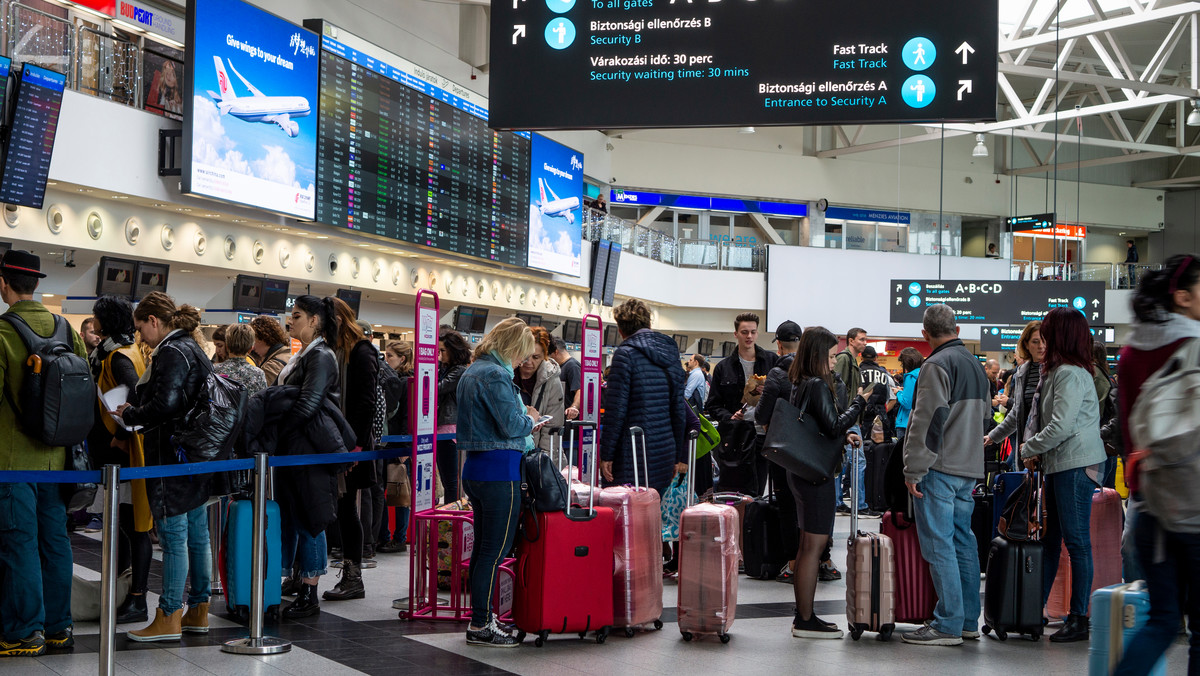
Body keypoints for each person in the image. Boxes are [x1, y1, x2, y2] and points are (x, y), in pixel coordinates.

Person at [1113, 254, 1200, 675]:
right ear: (1183, 297)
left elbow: (1130, 434)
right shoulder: (1195, 347)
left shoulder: (1130, 353)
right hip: (1196, 502)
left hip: (1151, 504)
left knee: (1163, 620)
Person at [0, 250, 85, 657]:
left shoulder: (2, 334)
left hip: (12, 462)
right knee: (55, 542)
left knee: (18, 543)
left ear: (4, 283)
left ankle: (23, 631)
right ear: (35, 284)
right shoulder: (65, 330)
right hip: (59, 461)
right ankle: (58, 628)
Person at [116, 292, 214, 642]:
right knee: (198, 535)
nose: (140, 336)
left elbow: (167, 404)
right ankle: (199, 610)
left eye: (141, 327)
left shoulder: (172, 351)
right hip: (196, 455)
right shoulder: (193, 348)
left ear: (154, 321)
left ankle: (170, 613)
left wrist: (131, 414)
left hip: (171, 457)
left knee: (174, 538)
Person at [901, 303, 991, 647]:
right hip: (970, 466)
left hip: (940, 466)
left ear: (925, 334)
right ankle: (968, 620)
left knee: (938, 543)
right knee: (963, 541)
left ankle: (948, 623)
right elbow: (985, 418)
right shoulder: (975, 365)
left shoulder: (936, 364)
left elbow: (927, 420)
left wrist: (913, 467)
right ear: (957, 329)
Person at [1017, 307, 1105, 642]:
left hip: (1075, 465)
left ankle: (1079, 617)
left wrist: (1028, 448)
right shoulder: (1058, 371)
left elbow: (1061, 425)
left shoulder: (1069, 373)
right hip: (1061, 463)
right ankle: (1033, 609)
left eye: (1049, 331)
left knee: (1077, 542)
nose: (1044, 338)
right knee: (1053, 540)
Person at [785, 327, 876, 638]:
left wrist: (840, 433)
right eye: (832, 356)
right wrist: (860, 403)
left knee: (808, 544)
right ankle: (805, 618)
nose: (836, 362)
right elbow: (835, 425)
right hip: (816, 475)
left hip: (801, 470)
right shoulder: (818, 385)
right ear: (818, 356)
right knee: (813, 545)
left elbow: (820, 428)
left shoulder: (799, 383)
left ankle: (804, 615)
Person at [456, 317, 539, 647]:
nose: (523, 361)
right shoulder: (494, 374)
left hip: (477, 469)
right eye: (522, 354)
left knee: (482, 550)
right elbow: (511, 425)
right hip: (500, 471)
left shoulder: (473, 370)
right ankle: (481, 624)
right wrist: (531, 419)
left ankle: (480, 619)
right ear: (512, 347)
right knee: (494, 550)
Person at [275, 295, 341, 619]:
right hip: (296, 449)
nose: (291, 322)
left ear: (314, 320)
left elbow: (307, 404)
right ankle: (299, 580)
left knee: (311, 520)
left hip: (310, 451)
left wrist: (279, 431)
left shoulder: (322, 356)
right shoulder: (305, 354)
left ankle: (310, 591)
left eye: (297, 316)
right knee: (296, 517)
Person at [88, 295, 153, 625]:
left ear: (106, 320)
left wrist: (122, 435)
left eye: (97, 316)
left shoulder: (117, 357)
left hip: (123, 453)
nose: (92, 321)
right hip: (118, 453)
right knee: (125, 527)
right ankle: (124, 589)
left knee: (133, 526)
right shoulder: (124, 350)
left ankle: (137, 598)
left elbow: (133, 396)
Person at [600, 299, 688, 498]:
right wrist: (676, 456)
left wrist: (607, 455)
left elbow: (616, 410)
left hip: (632, 453)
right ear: (649, 323)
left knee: (627, 515)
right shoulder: (671, 355)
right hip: (664, 451)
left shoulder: (625, 355)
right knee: (652, 514)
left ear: (621, 329)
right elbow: (678, 411)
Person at [322, 300, 379, 602]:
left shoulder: (361, 351)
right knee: (339, 509)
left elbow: (365, 402)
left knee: (347, 510)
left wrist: (354, 446)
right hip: (336, 442)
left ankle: (353, 575)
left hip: (352, 445)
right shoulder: (334, 352)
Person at [757, 320, 810, 583]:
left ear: (778, 344)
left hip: (783, 451)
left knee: (787, 504)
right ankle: (819, 560)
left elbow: (762, 414)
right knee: (810, 505)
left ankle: (792, 562)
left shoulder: (777, 375)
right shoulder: (815, 372)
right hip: (812, 452)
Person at [704, 312, 777, 495]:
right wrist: (729, 416)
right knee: (734, 490)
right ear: (736, 334)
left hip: (764, 435)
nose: (749, 336)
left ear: (757, 333)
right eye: (744, 332)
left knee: (760, 489)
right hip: (735, 438)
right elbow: (712, 406)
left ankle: (756, 522)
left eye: (753, 332)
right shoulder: (723, 367)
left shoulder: (771, 362)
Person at [985, 321, 1045, 468]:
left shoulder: (1057, 371)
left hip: (1049, 448)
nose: (1041, 346)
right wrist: (993, 436)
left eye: (1044, 341)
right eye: (1035, 342)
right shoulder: (1022, 372)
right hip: (1027, 447)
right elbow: (1017, 412)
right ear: (1026, 344)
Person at [378, 340, 413, 554]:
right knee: (383, 491)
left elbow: (408, 416)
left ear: (402, 359)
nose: (386, 360)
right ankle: (384, 536)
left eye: (390, 356)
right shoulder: (387, 380)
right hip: (386, 442)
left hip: (398, 444)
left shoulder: (407, 382)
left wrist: (406, 448)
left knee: (398, 493)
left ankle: (399, 538)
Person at [835, 327, 869, 514]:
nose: (865, 342)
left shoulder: (852, 360)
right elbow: (836, 386)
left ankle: (841, 501)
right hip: (847, 418)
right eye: (861, 339)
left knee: (847, 461)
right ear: (851, 341)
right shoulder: (845, 359)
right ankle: (858, 504)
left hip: (849, 417)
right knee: (856, 461)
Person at [514, 326, 564, 453]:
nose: (528, 362)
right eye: (525, 356)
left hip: (536, 450)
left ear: (544, 357)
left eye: (535, 357)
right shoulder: (507, 375)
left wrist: (543, 459)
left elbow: (552, 427)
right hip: (510, 449)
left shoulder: (551, 379)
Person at [437, 329, 471, 503]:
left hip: (448, 429)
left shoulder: (457, 371)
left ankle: (450, 521)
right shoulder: (448, 369)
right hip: (445, 429)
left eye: (442, 351)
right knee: (449, 481)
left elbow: (437, 388)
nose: (440, 355)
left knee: (451, 482)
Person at [214, 324, 267, 396]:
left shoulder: (215, 371)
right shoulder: (258, 374)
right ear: (250, 349)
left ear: (227, 347)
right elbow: (262, 401)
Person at [894, 347, 924, 444]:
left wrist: (898, 393)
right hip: (920, 421)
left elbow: (907, 403)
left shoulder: (911, 376)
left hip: (906, 422)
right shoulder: (923, 372)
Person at [250, 315, 291, 386]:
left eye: (254, 341)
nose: (253, 348)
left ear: (264, 339)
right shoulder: (287, 356)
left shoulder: (271, 367)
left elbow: (262, 393)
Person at [551, 338, 582, 420]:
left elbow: (580, 390)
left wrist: (574, 407)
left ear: (556, 352)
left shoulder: (572, 366)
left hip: (570, 418)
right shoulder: (561, 367)